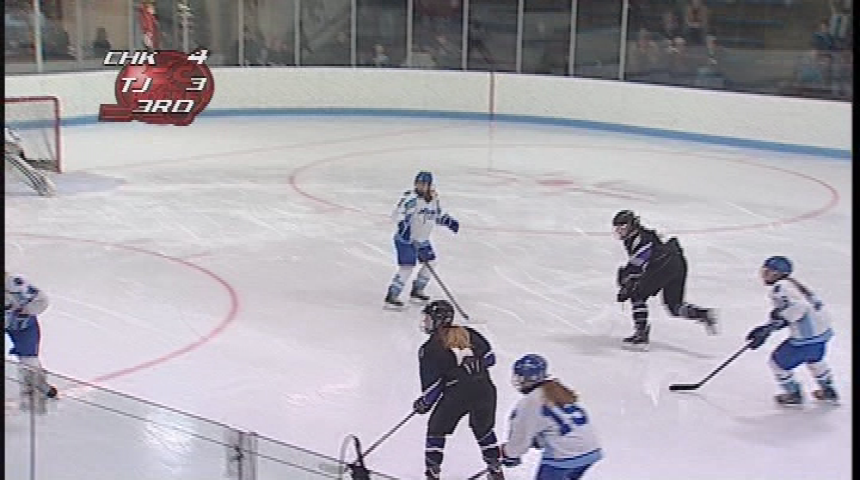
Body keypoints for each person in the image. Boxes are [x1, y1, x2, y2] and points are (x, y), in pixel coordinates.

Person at [412, 300, 503, 480]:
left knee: (436, 430)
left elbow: (433, 388)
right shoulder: (469, 333)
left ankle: (432, 473)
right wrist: (475, 366)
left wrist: (423, 404)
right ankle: (495, 470)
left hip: (457, 395)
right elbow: (490, 358)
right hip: (486, 390)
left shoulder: (430, 348)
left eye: (429, 319)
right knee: (484, 429)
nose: (426, 323)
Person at [612, 210, 717, 349]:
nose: (620, 231)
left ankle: (641, 334)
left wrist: (626, 282)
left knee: (636, 293)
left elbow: (637, 265)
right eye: (617, 228)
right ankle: (702, 313)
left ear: (633, 225)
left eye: (623, 227)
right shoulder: (642, 236)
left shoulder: (640, 239)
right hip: (677, 263)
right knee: (674, 306)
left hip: (664, 265)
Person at [746, 256, 839, 406]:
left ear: (778, 274)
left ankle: (793, 394)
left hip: (805, 339)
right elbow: (791, 310)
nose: (764, 275)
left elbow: (798, 308)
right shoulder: (794, 284)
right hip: (822, 334)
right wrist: (767, 326)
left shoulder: (780, 288)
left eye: (769, 272)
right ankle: (828, 390)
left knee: (777, 363)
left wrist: (771, 326)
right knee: (815, 359)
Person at [500, 354, 603, 479]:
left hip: (566, 455)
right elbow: (558, 423)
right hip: (591, 449)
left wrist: (509, 454)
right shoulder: (558, 390)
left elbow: (520, 438)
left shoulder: (530, 402)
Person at [384, 171, 460, 308]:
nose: (420, 186)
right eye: (418, 183)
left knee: (432, 262)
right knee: (407, 267)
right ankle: (392, 296)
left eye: (424, 184)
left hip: (422, 239)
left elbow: (435, 216)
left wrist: (448, 222)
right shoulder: (410, 199)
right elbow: (397, 214)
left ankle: (417, 290)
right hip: (405, 240)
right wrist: (403, 227)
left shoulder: (434, 199)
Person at [5, 272, 58, 413]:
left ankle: (37, 388)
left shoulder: (15, 283)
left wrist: (25, 311)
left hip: (22, 326)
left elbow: (42, 301)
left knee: (29, 360)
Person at [5, 126, 55, 196]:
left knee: (15, 166)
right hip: (10, 146)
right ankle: (43, 185)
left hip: (8, 148)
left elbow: (14, 140)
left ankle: (44, 186)